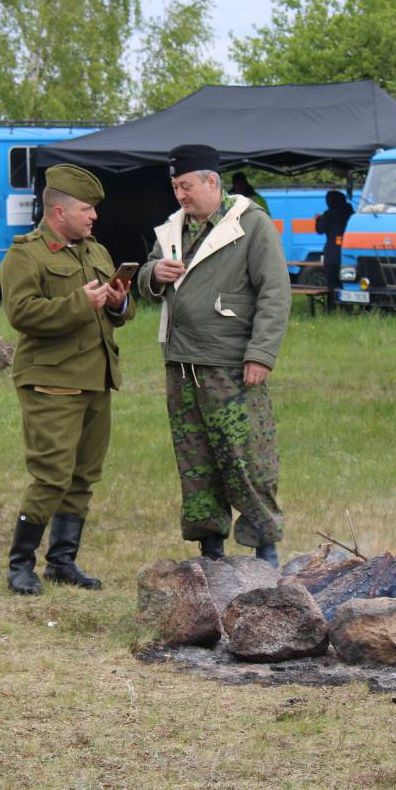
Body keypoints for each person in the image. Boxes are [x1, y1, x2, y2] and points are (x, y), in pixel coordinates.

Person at [136, 144, 291, 567]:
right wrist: (154, 274)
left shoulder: (251, 224)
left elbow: (275, 292)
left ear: (212, 181)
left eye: (186, 186)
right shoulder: (173, 228)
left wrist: (260, 354)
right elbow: (146, 275)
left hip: (230, 362)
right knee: (195, 458)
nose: (180, 195)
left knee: (246, 457)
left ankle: (264, 549)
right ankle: (210, 550)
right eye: (175, 187)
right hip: (182, 363)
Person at [0, 163, 134, 595]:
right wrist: (80, 303)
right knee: (52, 475)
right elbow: (21, 313)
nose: (94, 216)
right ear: (59, 212)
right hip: (51, 381)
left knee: (82, 475)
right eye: (86, 209)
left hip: (96, 378)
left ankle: (62, 562)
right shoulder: (26, 255)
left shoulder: (96, 251)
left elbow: (121, 313)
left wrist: (118, 302)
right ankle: (20, 565)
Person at [314, 189, 354, 308]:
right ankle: (347, 307)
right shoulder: (351, 213)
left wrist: (318, 220)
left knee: (332, 284)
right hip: (348, 253)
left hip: (332, 254)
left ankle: (332, 308)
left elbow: (320, 229)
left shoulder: (329, 214)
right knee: (347, 283)